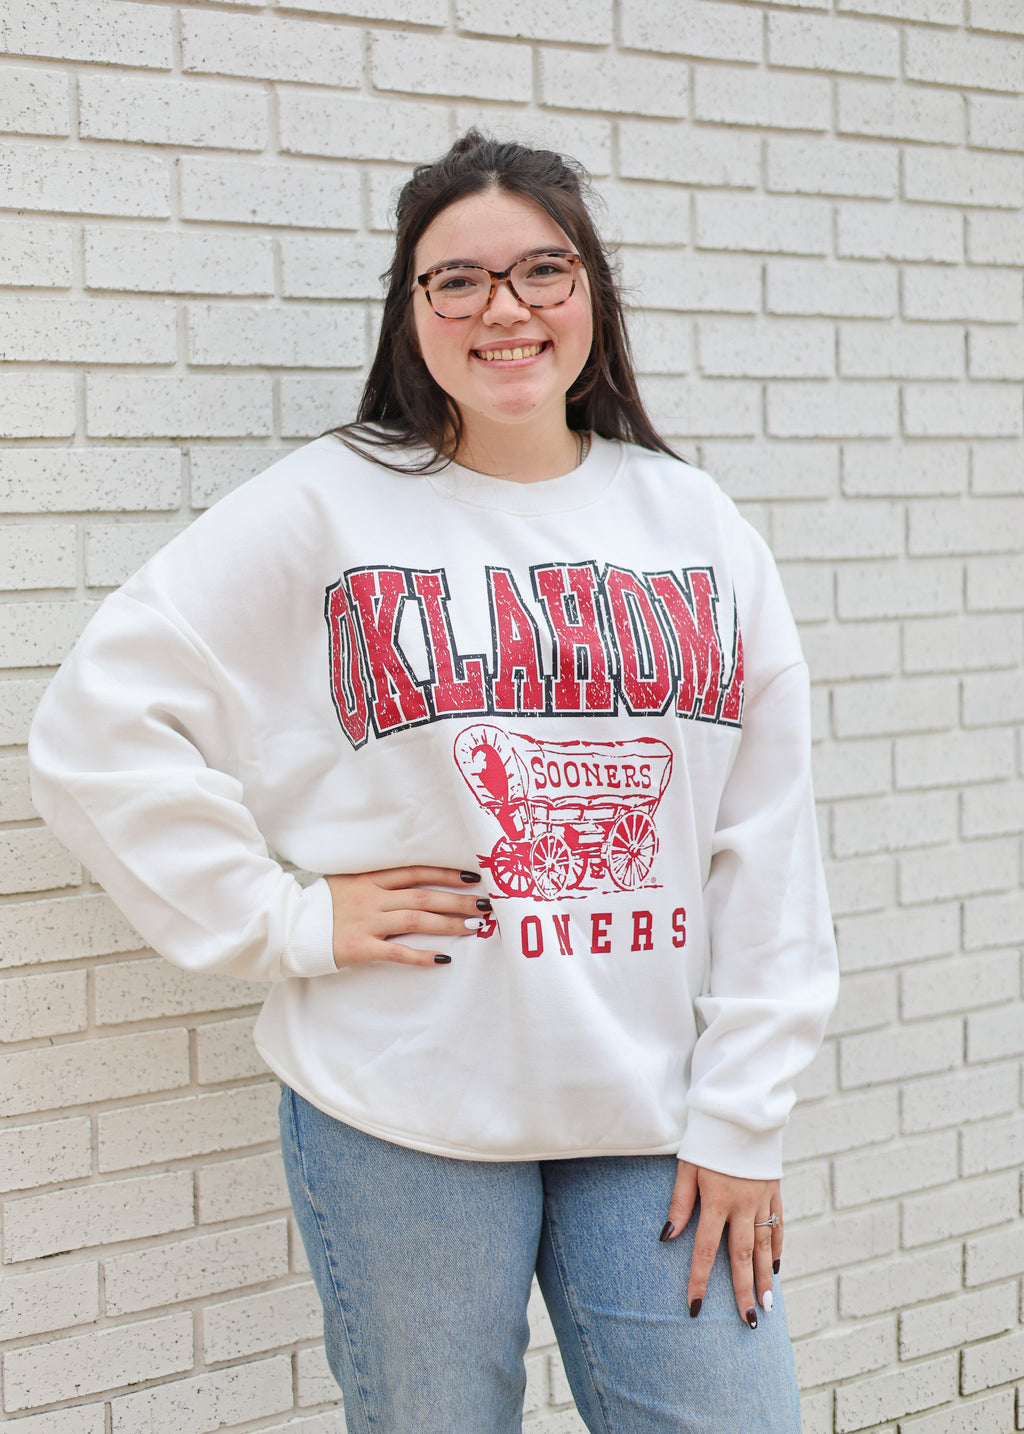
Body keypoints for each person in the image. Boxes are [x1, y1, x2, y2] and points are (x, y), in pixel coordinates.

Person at [29, 131, 838, 1434]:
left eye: (540, 270)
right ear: (412, 312)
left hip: (653, 1105)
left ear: (591, 295)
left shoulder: (696, 525)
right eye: (454, 279)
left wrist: (746, 1113)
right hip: (398, 1101)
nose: (502, 307)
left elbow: (768, 835)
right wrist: (285, 917)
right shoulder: (329, 504)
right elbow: (96, 723)